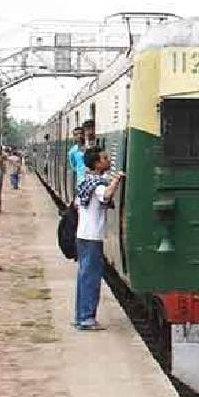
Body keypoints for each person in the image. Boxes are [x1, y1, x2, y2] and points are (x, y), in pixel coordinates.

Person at [73, 146, 124, 331]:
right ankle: (86, 318)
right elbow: (106, 195)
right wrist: (117, 180)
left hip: (83, 235)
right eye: (104, 158)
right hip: (92, 237)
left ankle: (81, 315)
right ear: (96, 163)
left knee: (83, 277)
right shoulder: (97, 183)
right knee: (91, 278)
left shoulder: (86, 180)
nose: (108, 160)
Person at [67, 126, 85, 195]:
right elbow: (74, 166)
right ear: (74, 137)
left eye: (81, 133)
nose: (79, 136)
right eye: (76, 135)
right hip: (81, 182)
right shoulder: (72, 152)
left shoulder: (90, 149)